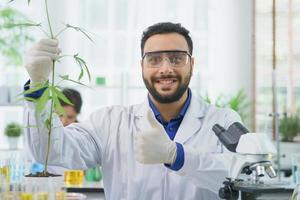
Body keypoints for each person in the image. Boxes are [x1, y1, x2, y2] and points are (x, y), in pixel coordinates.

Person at [24, 22, 242, 199]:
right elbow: (49, 151)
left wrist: (179, 156)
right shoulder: (110, 123)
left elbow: (244, 180)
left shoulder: (224, 120)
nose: (166, 68)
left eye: (176, 58)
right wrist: (38, 85)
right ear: (142, 67)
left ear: (192, 65)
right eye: (155, 59)